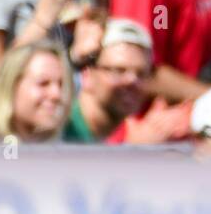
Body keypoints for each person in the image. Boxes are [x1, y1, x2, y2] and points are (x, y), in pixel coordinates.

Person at [64, 16, 184, 145]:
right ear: (86, 74)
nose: (132, 80)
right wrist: (135, 149)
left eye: (141, 73)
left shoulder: (114, 136)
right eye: (118, 70)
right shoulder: (61, 127)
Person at [0, 39, 71, 141]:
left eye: (60, 84)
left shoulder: (67, 149)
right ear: (12, 85)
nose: (56, 94)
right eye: (43, 83)